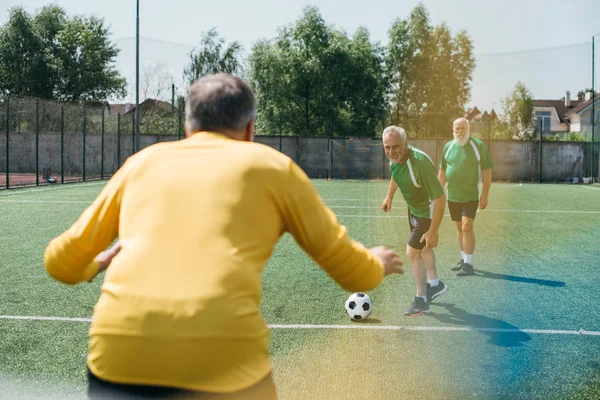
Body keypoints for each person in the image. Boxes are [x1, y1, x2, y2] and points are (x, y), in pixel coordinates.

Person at [44, 73, 404, 399]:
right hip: (227, 364)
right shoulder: (275, 168)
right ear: (250, 128)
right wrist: (377, 263)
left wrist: (99, 262)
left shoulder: (141, 163)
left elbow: (60, 263)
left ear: (188, 128)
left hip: (119, 357)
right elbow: (350, 272)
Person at [380, 126, 447, 316]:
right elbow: (396, 174)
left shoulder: (420, 163)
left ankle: (421, 299)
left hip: (427, 210)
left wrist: (433, 230)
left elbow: (440, 198)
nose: (391, 152)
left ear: (405, 144)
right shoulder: (395, 159)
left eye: (395, 147)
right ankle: (435, 284)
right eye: (387, 147)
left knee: (412, 253)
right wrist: (389, 197)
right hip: (414, 209)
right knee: (424, 249)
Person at [438, 117, 494, 276]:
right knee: (458, 227)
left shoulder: (478, 146)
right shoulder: (448, 147)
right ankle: (463, 259)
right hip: (453, 195)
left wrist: (485, 193)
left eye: (463, 128)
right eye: (457, 128)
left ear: (468, 129)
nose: (460, 131)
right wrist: (438, 192)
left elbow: (487, 170)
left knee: (466, 226)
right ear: (453, 130)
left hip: (471, 195)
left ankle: (468, 264)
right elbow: (442, 171)